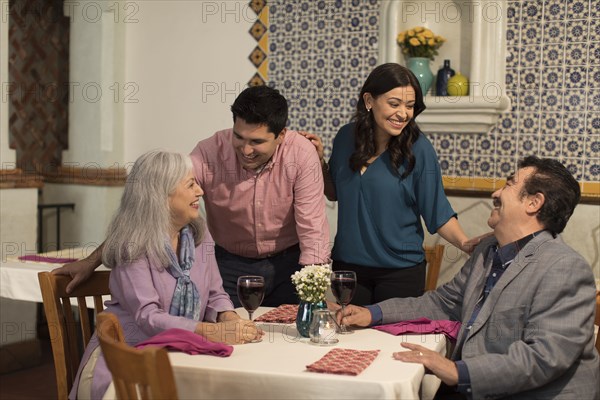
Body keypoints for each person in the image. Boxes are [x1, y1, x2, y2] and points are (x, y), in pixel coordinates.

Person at [338, 156, 599, 399]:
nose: (495, 192)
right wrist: (372, 313)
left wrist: (455, 372)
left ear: (534, 202)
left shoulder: (564, 268)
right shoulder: (489, 250)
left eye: (509, 185)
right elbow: (443, 303)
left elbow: (544, 357)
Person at [54, 86, 330, 307]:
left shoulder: (301, 154)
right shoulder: (210, 152)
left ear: (281, 135)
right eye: (239, 137)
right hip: (229, 264)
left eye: (256, 142)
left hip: (290, 264)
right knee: (229, 342)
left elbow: (313, 229)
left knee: (292, 342)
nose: (245, 150)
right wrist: (93, 260)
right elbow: (153, 201)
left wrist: (314, 293)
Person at [71, 151, 262, 400]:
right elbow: (148, 317)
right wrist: (210, 331)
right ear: (160, 195)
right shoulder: (133, 246)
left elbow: (216, 293)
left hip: (179, 356)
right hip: (125, 365)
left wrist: (228, 318)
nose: (200, 191)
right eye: (190, 184)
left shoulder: (199, 235)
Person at [303, 63, 481, 305]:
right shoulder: (346, 137)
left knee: (392, 342)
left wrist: (464, 242)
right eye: (394, 104)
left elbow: (437, 211)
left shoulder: (419, 149)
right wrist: (320, 161)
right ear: (369, 100)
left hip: (400, 274)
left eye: (409, 106)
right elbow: (334, 193)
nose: (403, 114)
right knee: (350, 341)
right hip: (348, 271)